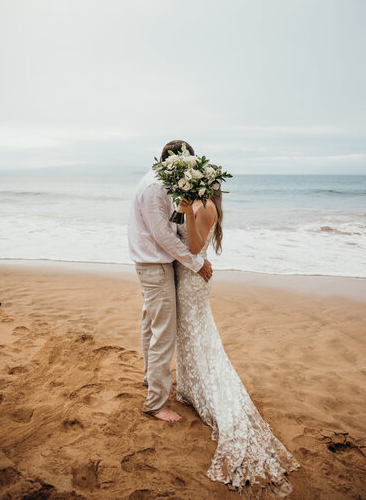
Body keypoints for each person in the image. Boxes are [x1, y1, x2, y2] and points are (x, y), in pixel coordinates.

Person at [175, 187, 300, 497]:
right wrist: (182, 209)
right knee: (193, 337)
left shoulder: (204, 207)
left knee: (198, 337)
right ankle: (190, 388)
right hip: (190, 278)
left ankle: (201, 391)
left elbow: (193, 246)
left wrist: (187, 210)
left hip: (192, 280)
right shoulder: (203, 205)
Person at [127, 140, 213, 423]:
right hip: (155, 265)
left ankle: (151, 378)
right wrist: (196, 262)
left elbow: (168, 225)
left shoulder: (159, 183)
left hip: (153, 264)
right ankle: (156, 403)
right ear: (176, 163)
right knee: (163, 332)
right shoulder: (154, 187)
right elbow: (162, 235)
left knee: (151, 325)